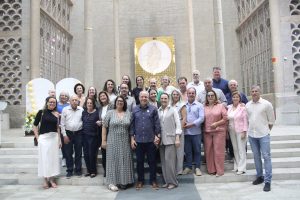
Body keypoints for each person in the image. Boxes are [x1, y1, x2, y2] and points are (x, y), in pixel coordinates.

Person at [102, 96, 134, 191]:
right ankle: (112, 182)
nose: (120, 102)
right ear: (115, 103)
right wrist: (103, 141)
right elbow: (104, 126)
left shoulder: (129, 114)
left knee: (124, 161)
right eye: (118, 101)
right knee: (113, 161)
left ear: (124, 103)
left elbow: (131, 128)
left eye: (122, 101)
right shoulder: (110, 113)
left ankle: (123, 181)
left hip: (125, 141)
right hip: (112, 141)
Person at [246, 85, 275, 192]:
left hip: (263, 135)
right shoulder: (247, 105)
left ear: (260, 92)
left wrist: (266, 131)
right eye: (252, 91)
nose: (254, 93)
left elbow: (271, 120)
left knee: (266, 157)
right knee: (256, 157)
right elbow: (247, 119)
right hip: (252, 135)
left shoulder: (266, 104)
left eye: (256, 91)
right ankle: (260, 176)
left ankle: (268, 181)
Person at [130, 91, 161, 190]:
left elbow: (157, 124)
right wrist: (132, 139)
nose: (144, 98)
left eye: (146, 97)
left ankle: (153, 181)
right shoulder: (134, 110)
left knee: (152, 161)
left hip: (151, 140)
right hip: (138, 141)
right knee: (139, 162)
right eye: (142, 97)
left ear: (148, 98)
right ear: (139, 98)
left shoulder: (153, 109)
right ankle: (140, 181)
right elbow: (132, 125)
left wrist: (157, 136)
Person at [33, 96, 61, 189]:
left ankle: (52, 179)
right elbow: (35, 126)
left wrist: (59, 140)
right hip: (44, 139)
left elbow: (57, 127)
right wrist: (38, 138)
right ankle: (45, 180)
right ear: (47, 102)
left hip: (54, 138)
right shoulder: (41, 112)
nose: (52, 103)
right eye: (50, 102)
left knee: (53, 159)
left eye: (54, 102)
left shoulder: (57, 114)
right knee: (44, 159)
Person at [158, 93, 181, 189]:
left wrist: (177, 138)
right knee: (164, 162)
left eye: (165, 98)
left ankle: (173, 182)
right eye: (162, 98)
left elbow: (178, 125)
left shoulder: (173, 110)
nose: (163, 100)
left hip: (171, 139)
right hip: (161, 140)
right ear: (160, 100)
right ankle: (167, 181)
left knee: (170, 162)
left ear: (168, 99)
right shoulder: (158, 110)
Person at [203, 90, 228, 177]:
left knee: (218, 151)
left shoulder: (220, 106)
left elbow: (225, 118)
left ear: (215, 97)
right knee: (209, 151)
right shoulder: (204, 107)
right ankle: (211, 170)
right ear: (206, 97)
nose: (210, 97)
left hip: (219, 131)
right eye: (208, 96)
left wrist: (216, 123)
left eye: (212, 95)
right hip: (207, 132)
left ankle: (219, 171)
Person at [182, 87, 204, 176]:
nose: (191, 94)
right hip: (186, 133)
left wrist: (191, 124)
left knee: (197, 150)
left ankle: (198, 168)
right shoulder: (183, 105)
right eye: (189, 93)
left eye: (193, 93)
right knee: (188, 151)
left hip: (196, 133)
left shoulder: (199, 105)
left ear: (195, 94)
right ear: (187, 94)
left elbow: (202, 118)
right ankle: (188, 167)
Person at [60, 95, 84, 178]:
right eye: (73, 100)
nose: (74, 101)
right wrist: (64, 135)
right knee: (68, 153)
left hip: (79, 133)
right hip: (68, 134)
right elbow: (62, 124)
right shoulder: (65, 110)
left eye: (76, 100)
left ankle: (78, 170)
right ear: (69, 101)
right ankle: (69, 170)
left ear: (78, 101)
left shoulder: (81, 110)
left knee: (78, 153)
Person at [227, 91, 248, 175]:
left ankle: (242, 168)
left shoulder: (243, 107)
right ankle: (237, 165)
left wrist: (244, 131)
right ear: (231, 98)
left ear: (240, 99)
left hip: (240, 130)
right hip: (231, 130)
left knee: (241, 149)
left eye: (237, 97)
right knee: (235, 148)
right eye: (234, 97)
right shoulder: (229, 107)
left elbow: (246, 120)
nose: (235, 98)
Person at [96, 91, 114, 177]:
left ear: (107, 97)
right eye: (101, 96)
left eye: (104, 95)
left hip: (111, 131)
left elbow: (113, 117)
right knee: (104, 152)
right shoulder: (99, 108)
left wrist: (103, 122)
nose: (102, 97)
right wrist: (99, 122)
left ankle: (112, 170)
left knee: (111, 152)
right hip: (102, 132)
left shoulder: (112, 106)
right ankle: (106, 171)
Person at [82, 97, 100, 178]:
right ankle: (89, 171)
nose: (89, 104)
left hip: (93, 136)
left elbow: (100, 123)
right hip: (84, 136)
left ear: (93, 104)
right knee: (86, 154)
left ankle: (93, 171)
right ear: (86, 104)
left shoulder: (97, 113)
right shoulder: (84, 112)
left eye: (91, 103)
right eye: (88, 103)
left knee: (92, 154)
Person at [170, 89, 187, 175]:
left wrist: (179, 130)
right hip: (170, 128)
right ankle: (173, 169)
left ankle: (179, 170)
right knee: (172, 149)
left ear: (179, 96)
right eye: (174, 94)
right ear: (171, 95)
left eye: (177, 94)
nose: (175, 96)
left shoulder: (182, 105)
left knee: (179, 150)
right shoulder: (170, 105)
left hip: (179, 128)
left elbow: (184, 118)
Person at [57, 91, 70, 167]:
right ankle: (64, 158)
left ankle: (68, 157)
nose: (63, 97)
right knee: (62, 143)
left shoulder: (69, 105)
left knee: (67, 143)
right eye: (62, 95)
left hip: (67, 126)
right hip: (58, 126)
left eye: (65, 95)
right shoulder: (57, 104)